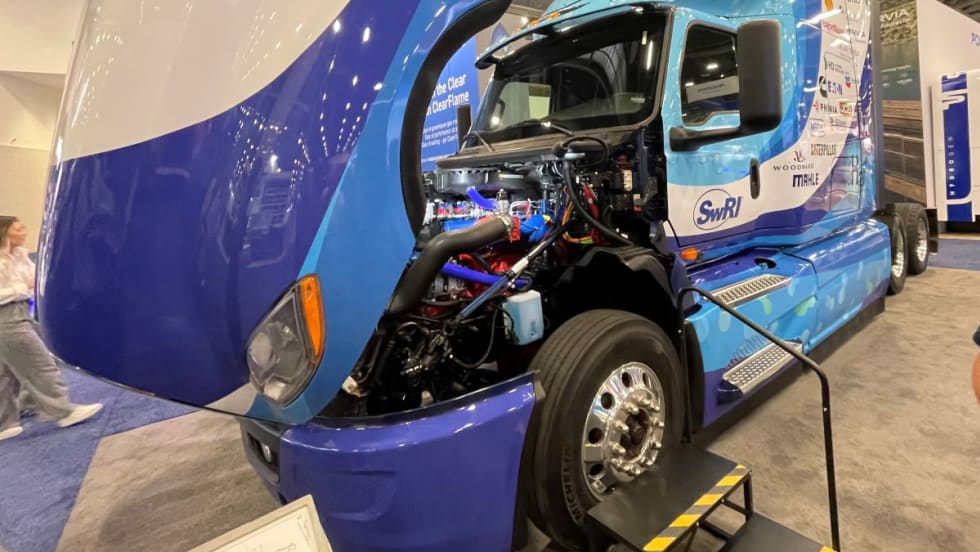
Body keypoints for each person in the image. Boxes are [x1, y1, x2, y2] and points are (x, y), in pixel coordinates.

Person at [0, 215, 102, 441]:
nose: (24, 231)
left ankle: (8, 419)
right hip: (6, 318)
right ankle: (64, 411)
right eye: (18, 228)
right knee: (40, 364)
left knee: (7, 372)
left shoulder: (19, 256)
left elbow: (34, 278)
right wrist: (21, 287)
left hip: (21, 312)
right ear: (6, 233)